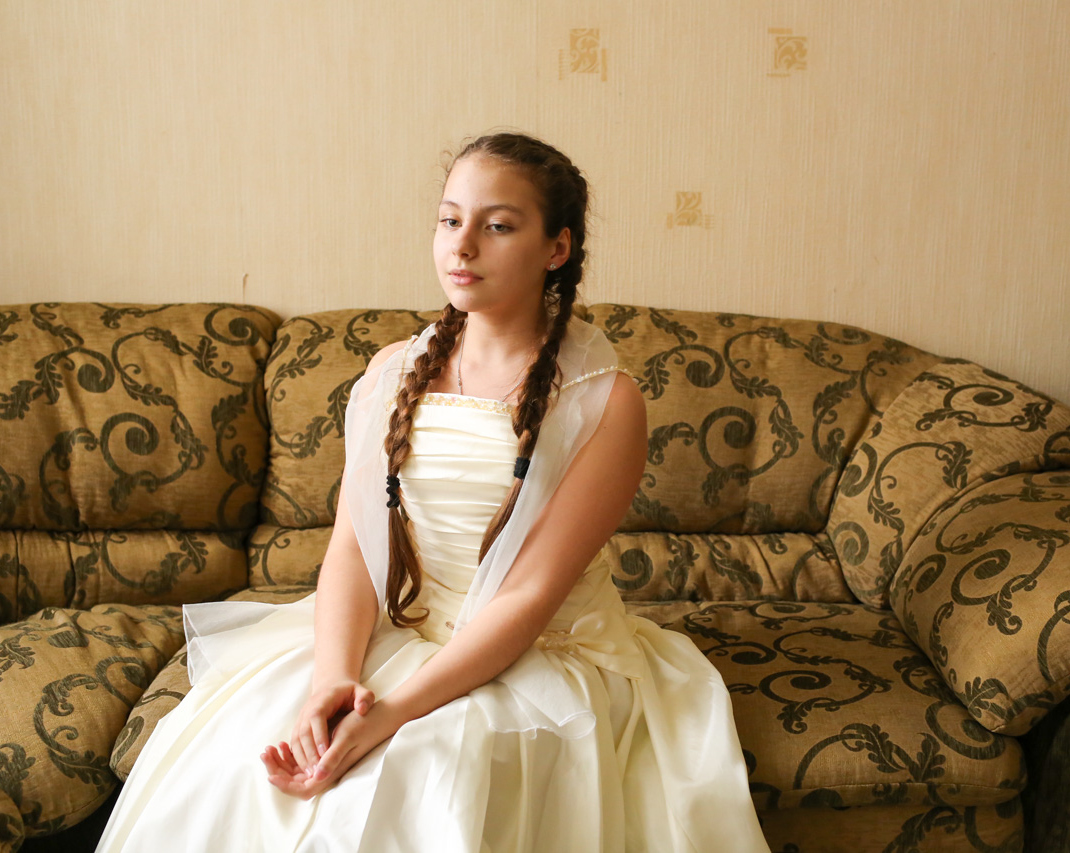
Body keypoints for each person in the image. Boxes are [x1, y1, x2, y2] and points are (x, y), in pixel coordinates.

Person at [97, 131, 769, 851]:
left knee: (433, 769)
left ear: (557, 248)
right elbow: (353, 550)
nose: (464, 245)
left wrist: (389, 714)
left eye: (498, 225)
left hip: (534, 650)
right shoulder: (391, 371)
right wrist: (334, 679)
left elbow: (525, 598)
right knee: (235, 764)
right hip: (395, 630)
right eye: (451, 220)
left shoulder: (605, 400)